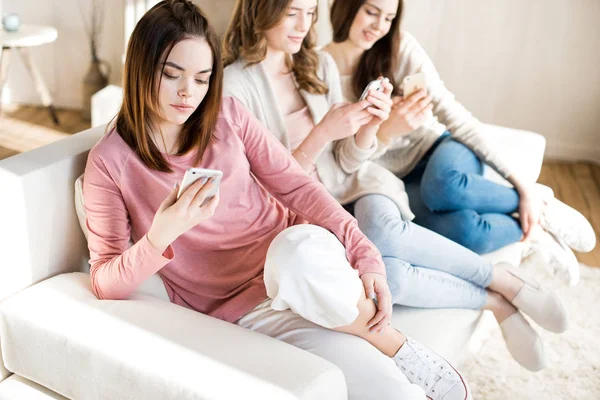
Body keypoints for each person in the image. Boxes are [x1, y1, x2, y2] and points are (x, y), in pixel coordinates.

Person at [82, 1, 465, 399]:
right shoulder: (109, 162)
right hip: (244, 311)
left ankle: (395, 343)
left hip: (304, 264)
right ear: (140, 68)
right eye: (171, 75)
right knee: (389, 392)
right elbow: (105, 282)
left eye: (201, 78)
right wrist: (159, 238)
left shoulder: (228, 115)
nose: (187, 93)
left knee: (293, 252)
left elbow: (297, 187)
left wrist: (364, 253)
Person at [221, 0, 567, 379]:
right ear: (260, 11)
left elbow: (349, 161)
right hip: (310, 209)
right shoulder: (236, 87)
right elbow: (263, 190)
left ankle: (502, 278)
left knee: (387, 232)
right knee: (391, 278)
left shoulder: (315, 66)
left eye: (310, 13)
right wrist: (322, 133)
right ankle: (494, 300)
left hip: (358, 185)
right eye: (293, 13)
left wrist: (370, 123)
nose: (304, 25)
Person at [323, 0, 596, 287]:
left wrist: (522, 185)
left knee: (443, 187)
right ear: (346, 6)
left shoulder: (399, 48)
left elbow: (453, 115)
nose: (380, 26)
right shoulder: (321, 70)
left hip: (440, 149)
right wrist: (385, 132)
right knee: (466, 232)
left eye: (389, 17)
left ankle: (539, 202)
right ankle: (536, 231)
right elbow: (343, 163)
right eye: (371, 12)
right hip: (395, 178)